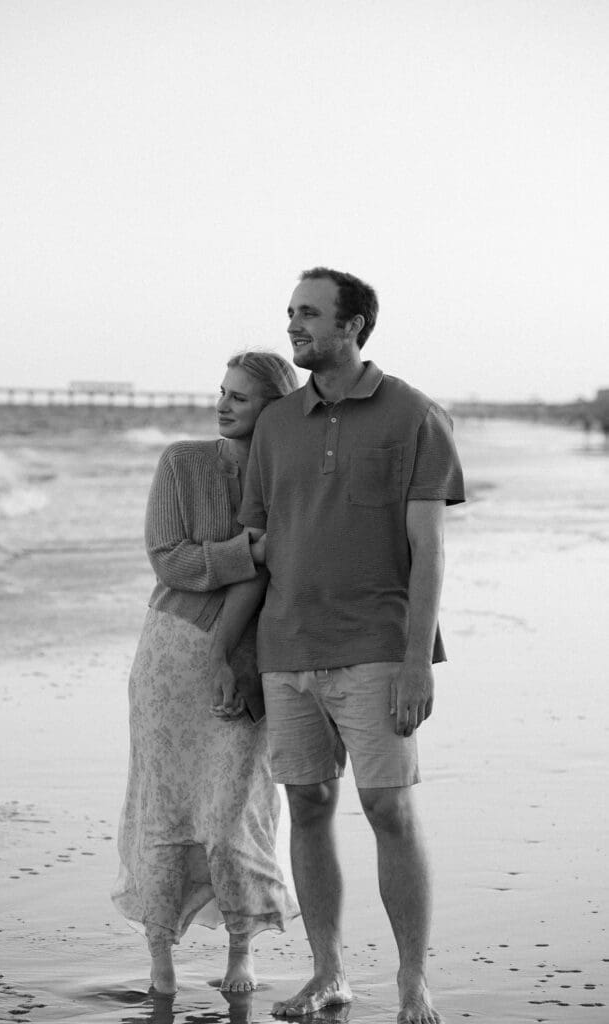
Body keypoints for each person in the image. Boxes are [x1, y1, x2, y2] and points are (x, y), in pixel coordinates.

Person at [214, 268, 464, 1024]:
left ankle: (412, 981)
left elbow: (428, 549)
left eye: (310, 315)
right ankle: (327, 974)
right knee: (308, 805)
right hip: (287, 647)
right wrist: (238, 654)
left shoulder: (415, 415)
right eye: (291, 313)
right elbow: (259, 546)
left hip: (378, 646)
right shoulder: (277, 424)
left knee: (388, 808)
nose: (294, 326)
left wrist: (418, 658)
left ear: (352, 325)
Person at [112, 351, 299, 996]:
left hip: (253, 656)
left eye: (240, 398)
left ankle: (241, 948)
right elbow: (169, 561)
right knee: (164, 808)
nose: (222, 404)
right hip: (172, 654)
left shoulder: (290, 476)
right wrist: (247, 550)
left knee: (235, 810)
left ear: (273, 410)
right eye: (222, 392)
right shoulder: (182, 461)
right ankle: (160, 954)